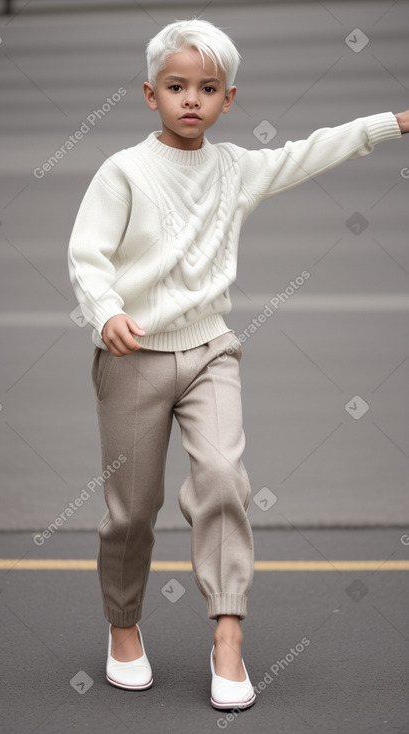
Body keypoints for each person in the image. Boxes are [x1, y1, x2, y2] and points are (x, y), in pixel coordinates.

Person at [68, 17, 408, 710]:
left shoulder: (235, 169)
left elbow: (311, 151)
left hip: (208, 353)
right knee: (131, 511)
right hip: (131, 357)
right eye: (175, 86)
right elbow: (87, 254)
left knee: (223, 477)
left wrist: (393, 123)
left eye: (207, 88)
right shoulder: (123, 172)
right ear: (148, 94)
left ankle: (227, 634)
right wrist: (107, 311)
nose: (190, 99)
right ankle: (123, 626)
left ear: (228, 100)